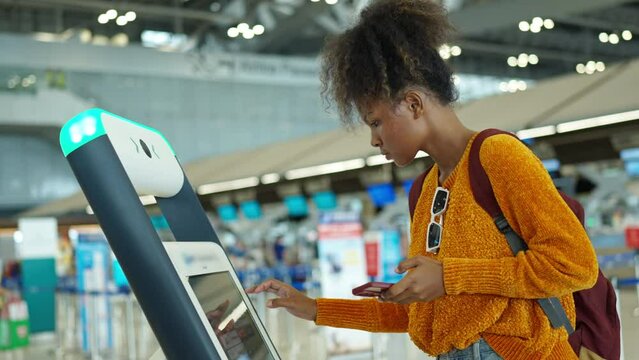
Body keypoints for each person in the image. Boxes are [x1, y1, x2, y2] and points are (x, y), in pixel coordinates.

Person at [246, 0, 598, 358]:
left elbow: (574, 266)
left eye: (376, 122)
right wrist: (313, 308)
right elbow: (421, 315)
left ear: (413, 104)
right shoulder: (425, 190)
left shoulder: (498, 156)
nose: (374, 139)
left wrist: (448, 277)